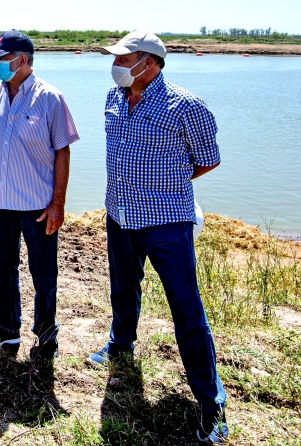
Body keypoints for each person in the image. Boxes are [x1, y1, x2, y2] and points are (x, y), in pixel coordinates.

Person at [89, 31, 228, 444]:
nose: (115, 65)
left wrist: (163, 186)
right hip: (120, 216)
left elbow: (208, 160)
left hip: (167, 222)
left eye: (123, 58)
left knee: (186, 310)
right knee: (123, 290)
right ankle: (121, 346)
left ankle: (211, 403)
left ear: (148, 63)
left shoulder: (185, 105)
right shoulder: (115, 98)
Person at [0, 30, 80, 358]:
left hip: (38, 207)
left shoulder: (50, 98)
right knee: (3, 270)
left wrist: (58, 204)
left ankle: (47, 336)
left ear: (22, 60)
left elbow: (63, 152)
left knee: (44, 275)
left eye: (2, 60)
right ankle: (7, 330)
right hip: (3, 204)